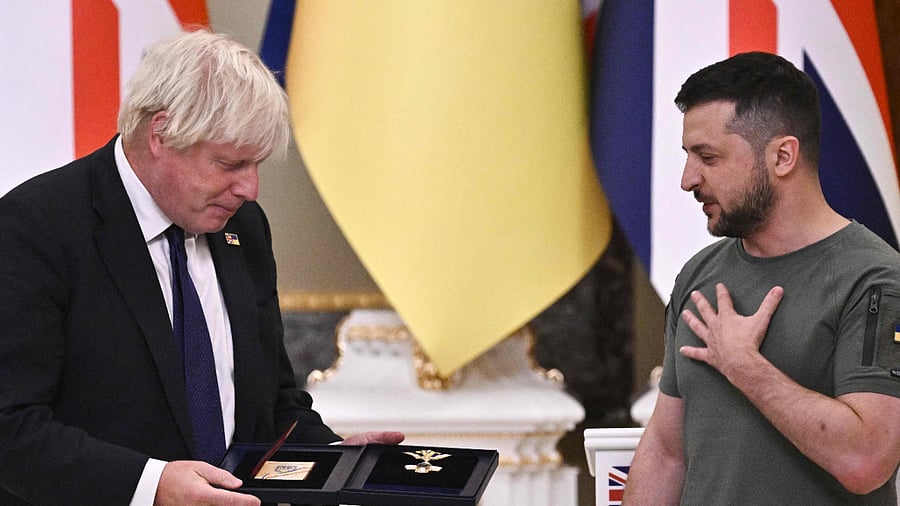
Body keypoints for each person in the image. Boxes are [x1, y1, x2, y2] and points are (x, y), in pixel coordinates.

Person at [0, 30, 403, 505]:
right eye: (230, 163)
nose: (249, 189)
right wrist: (152, 487)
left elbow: (271, 404)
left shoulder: (244, 229)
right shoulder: (33, 228)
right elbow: (11, 426)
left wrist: (332, 458)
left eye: (256, 166)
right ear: (161, 134)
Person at [623, 52, 900, 504]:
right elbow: (666, 454)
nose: (688, 179)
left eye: (707, 157)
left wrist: (744, 365)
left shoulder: (876, 279)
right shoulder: (699, 274)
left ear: (783, 156)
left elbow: (866, 462)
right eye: (688, 156)